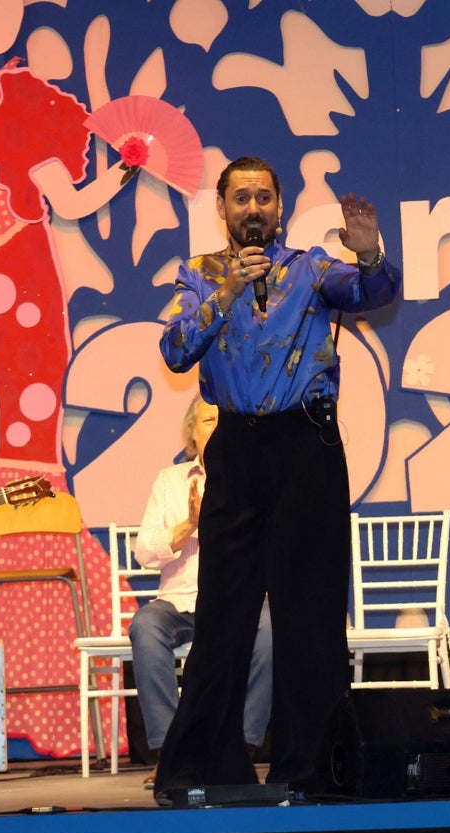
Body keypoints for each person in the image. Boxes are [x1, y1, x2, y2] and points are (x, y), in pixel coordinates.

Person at [154, 155, 401, 800]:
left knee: (310, 617)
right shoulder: (200, 275)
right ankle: (204, 767)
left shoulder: (313, 270)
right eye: (241, 199)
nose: (253, 209)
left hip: (307, 450)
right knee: (223, 616)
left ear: (281, 208)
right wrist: (229, 290)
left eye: (264, 197)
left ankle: (310, 767)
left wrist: (371, 253)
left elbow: (375, 293)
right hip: (236, 451)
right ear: (223, 210)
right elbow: (177, 350)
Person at [130, 394, 273, 789]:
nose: (217, 428)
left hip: (235, 599)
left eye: (224, 421)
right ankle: (170, 752)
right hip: (178, 601)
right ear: (191, 432)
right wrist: (189, 525)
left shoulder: (252, 479)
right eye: (209, 420)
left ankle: (241, 748)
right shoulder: (170, 480)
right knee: (145, 626)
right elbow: (144, 552)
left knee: (267, 629)